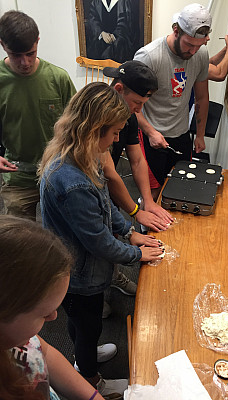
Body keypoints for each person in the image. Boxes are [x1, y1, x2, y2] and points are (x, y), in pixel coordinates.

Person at [38, 82, 163, 395]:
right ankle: (91, 376)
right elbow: (98, 241)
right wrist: (137, 255)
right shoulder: (71, 181)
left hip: (80, 270)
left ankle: (85, 354)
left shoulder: (86, 154)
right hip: (80, 276)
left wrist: (130, 232)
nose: (118, 138)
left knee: (83, 324)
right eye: (115, 132)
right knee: (87, 322)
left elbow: (106, 206)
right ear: (93, 129)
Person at [0, 215, 107, 400]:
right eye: (43, 314)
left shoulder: (16, 334)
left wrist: (93, 397)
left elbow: (44, 352)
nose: (54, 316)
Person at [102, 60, 173, 296]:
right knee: (96, 237)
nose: (139, 110)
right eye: (137, 103)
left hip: (104, 185)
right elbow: (110, 172)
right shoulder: (98, 115)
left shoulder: (128, 116)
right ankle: (95, 289)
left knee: (110, 231)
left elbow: (137, 159)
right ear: (119, 90)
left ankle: (110, 276)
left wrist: (148, 201)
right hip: (92, 183)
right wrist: (135, 211)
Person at [0, 10, 76, 220]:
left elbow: (78, 123)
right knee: (20, 241)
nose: (25, 62)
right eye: (16, 55)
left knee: (65, 238)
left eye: (30, 53)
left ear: (37, 42)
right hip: (18, 177)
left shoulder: (58, 78)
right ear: (2, 45)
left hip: (58, 172)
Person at [134, 3, 211, 200]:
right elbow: (130, 106)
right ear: (175, 30)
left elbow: (202, 97)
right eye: (189, 45)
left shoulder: (200, 54)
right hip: (152, 134)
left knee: (180, 185)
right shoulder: (149, 57)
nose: (193, 51)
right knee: (153, 192)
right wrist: (151, 132)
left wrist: (200, 135)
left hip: (181, 134)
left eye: (199, 45)